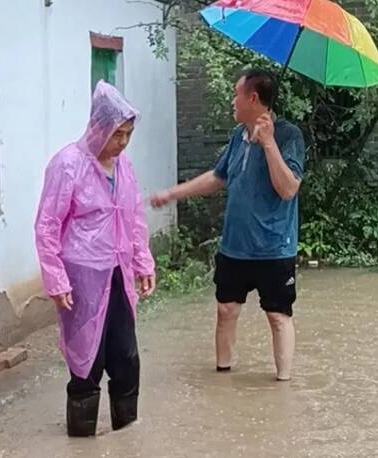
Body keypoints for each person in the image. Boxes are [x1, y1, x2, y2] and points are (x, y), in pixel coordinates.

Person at [151, 69, 305, 381]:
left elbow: (288, 189)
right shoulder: (238, 136)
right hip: (235, 245)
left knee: (278, 316)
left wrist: (270, 144)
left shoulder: (289, 136)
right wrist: (173, 193)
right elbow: (218, 177)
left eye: (236, 95)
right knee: (225, 311)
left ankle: (284, 385)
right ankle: (222, 378)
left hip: (274, 248)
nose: (232, 102)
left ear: (253, 98)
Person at [35, 81, 156, 437]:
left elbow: (133, 216)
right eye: (117, 134)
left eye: (128, 134)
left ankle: (126, 434)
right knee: (87, 359)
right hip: (82, 276)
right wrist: (55, 278)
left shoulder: (124, 166)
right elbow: (47, 225)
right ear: (99, 127)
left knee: (126, 356)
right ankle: (83, 438)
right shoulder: (67, 165)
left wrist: (143, 262)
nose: (122, 142)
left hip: (119, 272)